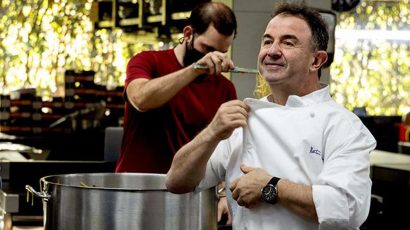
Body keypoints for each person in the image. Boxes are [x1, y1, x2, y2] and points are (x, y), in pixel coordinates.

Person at [166, 3, 377, 230]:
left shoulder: (343, 125)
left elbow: (348, 209)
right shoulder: (241, 120)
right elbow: (176, 182)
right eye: (267, 41)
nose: (272, 51)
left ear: (316, 61)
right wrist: (212, 132)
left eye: (288, 42)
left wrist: (271, 187)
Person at [115, 2, 237, 225]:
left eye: (222, 52)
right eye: (208, 49)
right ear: (188, 33)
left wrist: (222, 194)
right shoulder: (147, 61)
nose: (214, 59)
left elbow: (224, 151)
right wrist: (194, 69)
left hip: (189, 197)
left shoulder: (225, 89)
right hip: (134, 193)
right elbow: (140, 99)